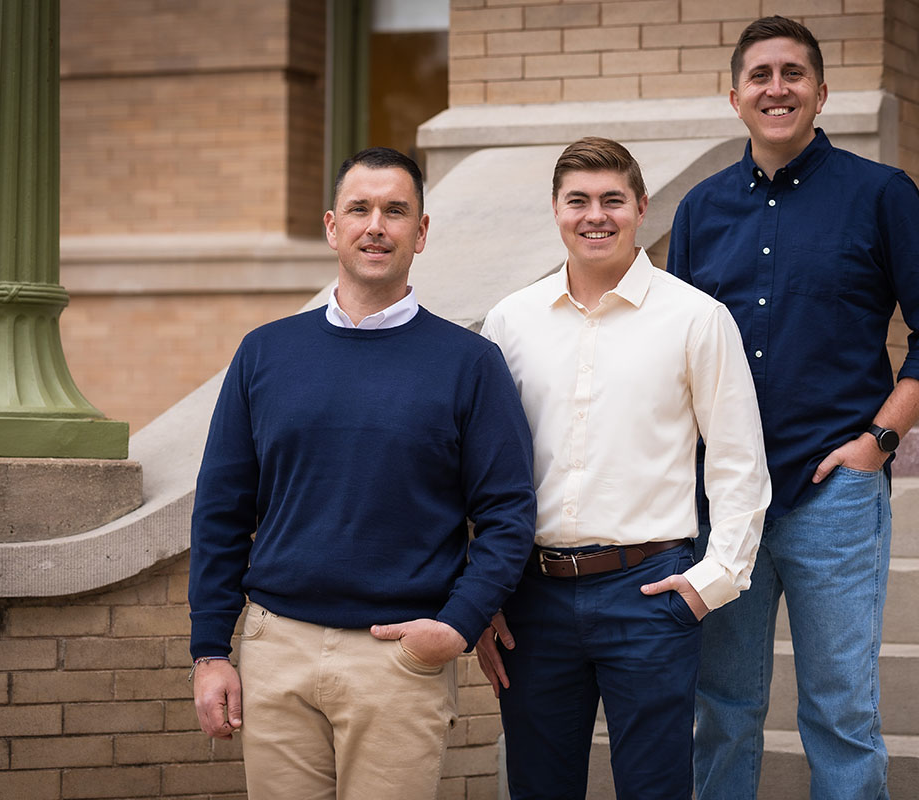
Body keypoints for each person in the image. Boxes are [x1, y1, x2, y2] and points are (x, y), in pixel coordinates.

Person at [187, 146, 537, 799]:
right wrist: (210, 652)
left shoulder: (469, 363)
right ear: (332, 226)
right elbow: (221, 511)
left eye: (396, 211)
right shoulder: (265, 354)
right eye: (360, 209)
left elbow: (508, 515)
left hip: (398, 659)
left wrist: (457, 625)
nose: (376, 225)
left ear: (421, 232)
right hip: (276, 648)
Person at [668, 16, 919, 799]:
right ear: (735, 95)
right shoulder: (700, 212)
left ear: (820, 93)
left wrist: (878, 441)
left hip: (833, 494)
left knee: (840, 713)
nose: (777, 88)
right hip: (725, 501)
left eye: (793, 74)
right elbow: (672, 354)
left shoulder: (882, 195)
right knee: (723, 709)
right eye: (761, 75)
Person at [477, 137, 771, 799]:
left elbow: (737, 462)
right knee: (539, 788)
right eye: (577, 200)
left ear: (641, 207)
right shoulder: (509, 322)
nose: (595, 215)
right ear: (555, 210)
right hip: (533, 598)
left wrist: (714, 579)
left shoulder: (695, 317)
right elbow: (482, 472)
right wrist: (483, 594)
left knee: (655, 789)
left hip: (649, 592)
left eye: (612, 199)